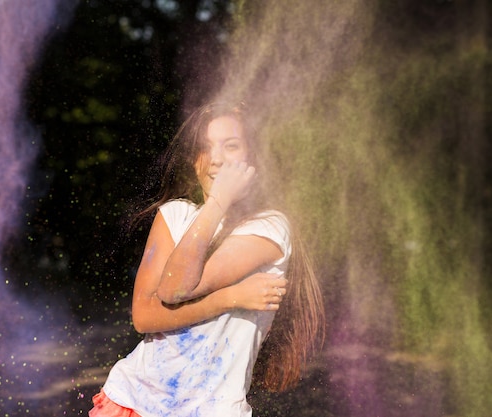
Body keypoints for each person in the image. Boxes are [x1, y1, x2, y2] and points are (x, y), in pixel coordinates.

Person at [89, 102, 325, 417]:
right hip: (134, 401)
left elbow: (173, 292)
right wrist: (230, 297)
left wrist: (218, 202)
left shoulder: (269, 226)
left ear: (254, 157)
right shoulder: (175, 215)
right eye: (204, 149)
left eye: (231, 146)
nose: (215, 160)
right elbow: (145, 316)